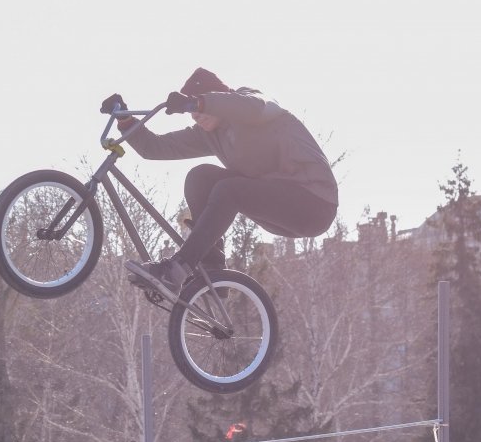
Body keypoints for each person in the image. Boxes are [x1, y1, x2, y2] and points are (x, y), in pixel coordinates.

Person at [107, 67, 338, 302]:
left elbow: (250, 106)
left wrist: (198, 103)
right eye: (192, 113)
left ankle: (177, 268)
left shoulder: (256, 107)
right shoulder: (209, 134)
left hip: (313, 203)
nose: (195, 116)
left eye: (197, 110)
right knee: (200, 177)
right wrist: (125, 120)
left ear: (217, 98)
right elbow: (155, 147)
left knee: (229, 190)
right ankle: (213, 272)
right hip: (279, 207)